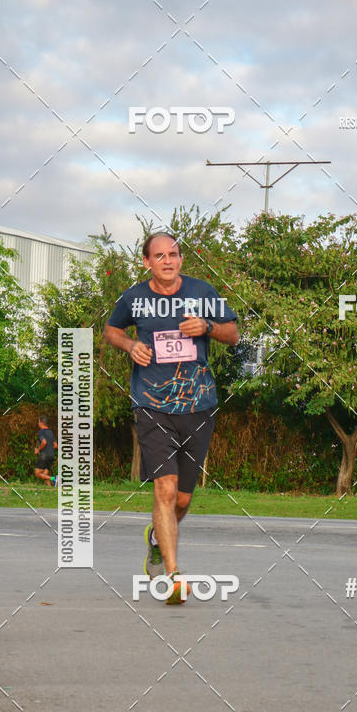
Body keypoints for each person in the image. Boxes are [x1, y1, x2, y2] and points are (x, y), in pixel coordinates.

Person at [104, 232, 239, 603]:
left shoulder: (203, 292)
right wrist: (130, 344)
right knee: (164, 489)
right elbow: (112, 330)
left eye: (174, 254)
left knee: (181, 499)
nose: (168, 261)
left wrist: (207, 327)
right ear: (147, 261)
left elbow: (233, 333)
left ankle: (155, 538)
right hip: (151, 405)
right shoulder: (133, 298)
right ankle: (173, 575)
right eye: (160, 255)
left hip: (198, 405)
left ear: (181, 259)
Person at [34, 415, 57, 486]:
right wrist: (49, 448)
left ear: (41, 423)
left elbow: (44, 442)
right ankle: (50, 489)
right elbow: (55, 445)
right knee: (45, 474)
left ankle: (54, 479)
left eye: (38, 422)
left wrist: (38, 450)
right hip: (51, 455)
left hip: (44, 455)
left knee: (37, 473)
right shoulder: (51, 432)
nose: (38, 423)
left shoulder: (41, 432)